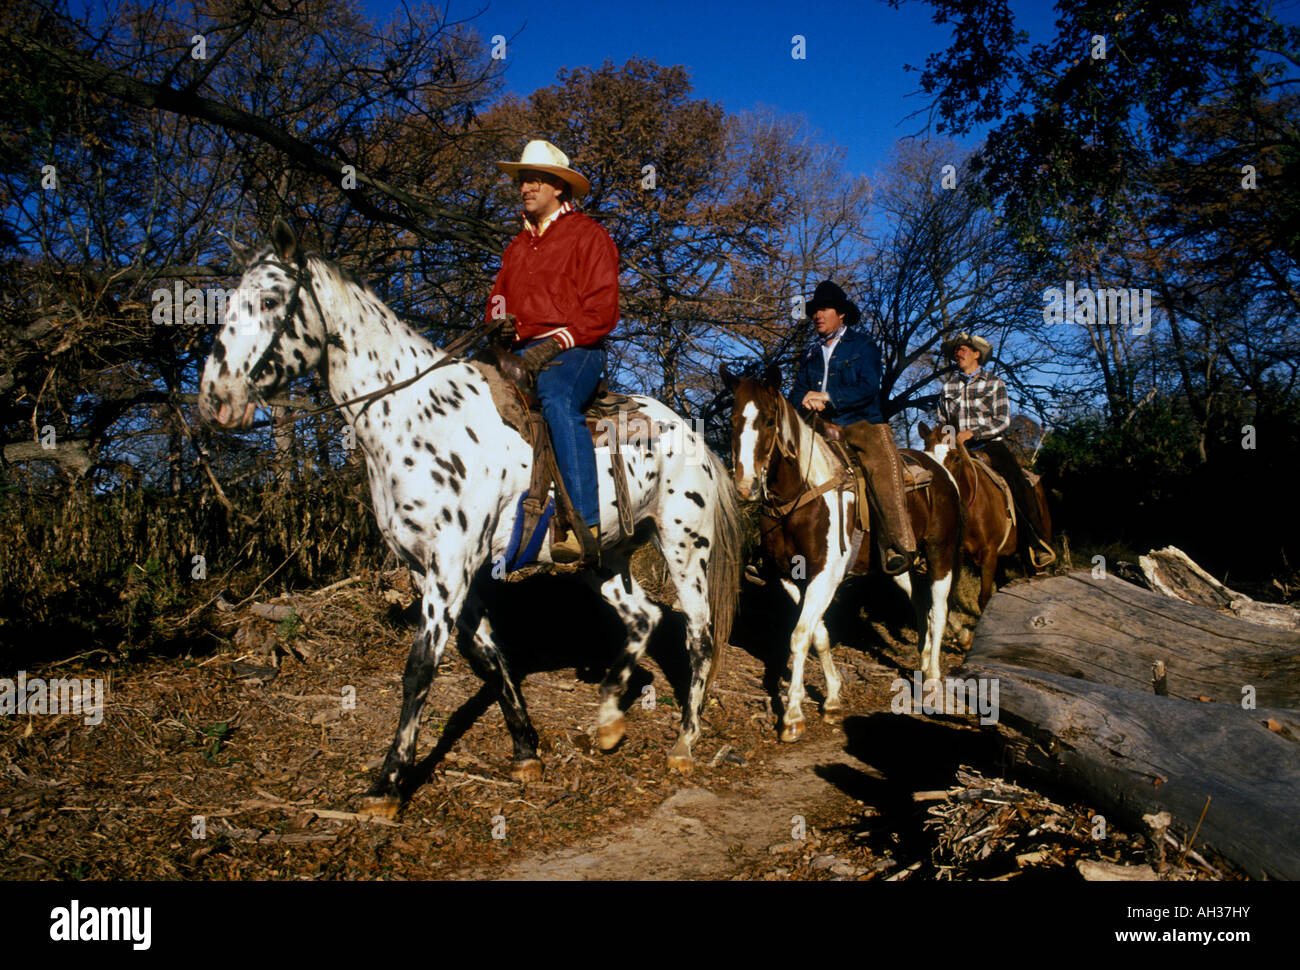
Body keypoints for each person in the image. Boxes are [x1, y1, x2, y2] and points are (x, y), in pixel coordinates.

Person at [486, 140, 619, 563]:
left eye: (535, 179)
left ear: (560, 188)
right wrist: (499, 321)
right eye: (522, 179)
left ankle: (586, 524)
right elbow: (498, 299)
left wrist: (554, 343)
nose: (525, 186)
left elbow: (602, 311)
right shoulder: (516, 247)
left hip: (577, 349)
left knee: (558, 399)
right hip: (518, 351)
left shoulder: (590, 236)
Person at [789, 280, 916, 575]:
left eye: (824, 309)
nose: (817, 315)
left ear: (841, 313)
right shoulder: (810, 353)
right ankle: (770, 552)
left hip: (860, 424)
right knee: (780, 464)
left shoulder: (864, 345)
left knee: (882, 469)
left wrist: (829, 399)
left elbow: (869, 387)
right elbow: (796, 392)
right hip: (816, 428)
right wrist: (804, 398)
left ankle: (897, 545)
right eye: (814, 311)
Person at [936, 331, 1054, 566]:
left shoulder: (994, 383)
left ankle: (1037, 542)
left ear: (977, 354)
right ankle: (932, 546)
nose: (958, 354)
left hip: (990, 444)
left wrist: (974, 433)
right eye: (956, 351)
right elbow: (942, 421)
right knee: (934, 483)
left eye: (963, 350)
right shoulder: (948, 387)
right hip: (956, 448)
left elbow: (1002, 420)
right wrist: (948, 440)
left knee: (1018, 482)